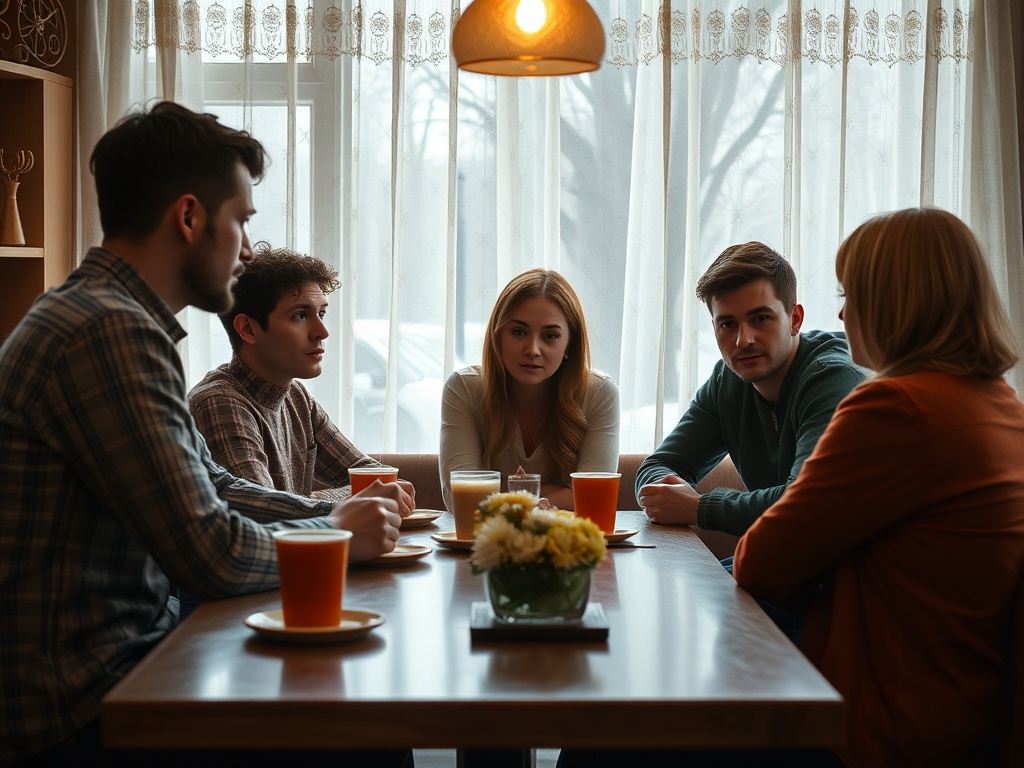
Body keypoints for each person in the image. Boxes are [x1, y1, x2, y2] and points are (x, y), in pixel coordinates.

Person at [0, 101, 412, 768]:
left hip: (135, 664)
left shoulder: (110, 316)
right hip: (79, 706)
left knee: (355, 708)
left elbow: (214, 487)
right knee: (362, 732)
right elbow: (211, 554)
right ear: (190, 218)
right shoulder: (109, 330)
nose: (248, 250)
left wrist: (331, 511)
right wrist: (338, 540)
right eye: (242, 222)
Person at [735, 208, 1024, 766]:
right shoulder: (1001, 406)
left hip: (868, 728)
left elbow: (760, 563)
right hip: (957, 714)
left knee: (616, 729)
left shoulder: (897, 408)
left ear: (898, 300)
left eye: (852, 293)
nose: (841, 313)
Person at [635, 241, 864, 538]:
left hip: (845, 572)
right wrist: (664, 492)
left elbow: (807, 504)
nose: (743, 340)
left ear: (794, 319)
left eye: (760, 319)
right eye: (727, 324)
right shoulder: (727, 381)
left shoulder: (832, 379)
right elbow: (658, 465)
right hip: (784, 563)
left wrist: (699, 507)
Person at [189, 242, 408, 502]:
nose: (322, 332)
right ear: (248, 329)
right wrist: (327, 499)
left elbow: (378, 477)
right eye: (300, 315)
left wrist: (312, 498)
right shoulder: (219, 402)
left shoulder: (296, 396)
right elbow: (263, 510)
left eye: (322, 314)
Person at [440, 268, 619, 512]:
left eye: (550, 336)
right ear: (498, 335)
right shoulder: (464, 388)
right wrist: (557, 492)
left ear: (569, 344)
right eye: (519, 332)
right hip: (484, 545)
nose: (533, 349)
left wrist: (503, 491)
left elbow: (594, 498)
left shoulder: (600, 393)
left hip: (568, 546)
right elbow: (458, 499)